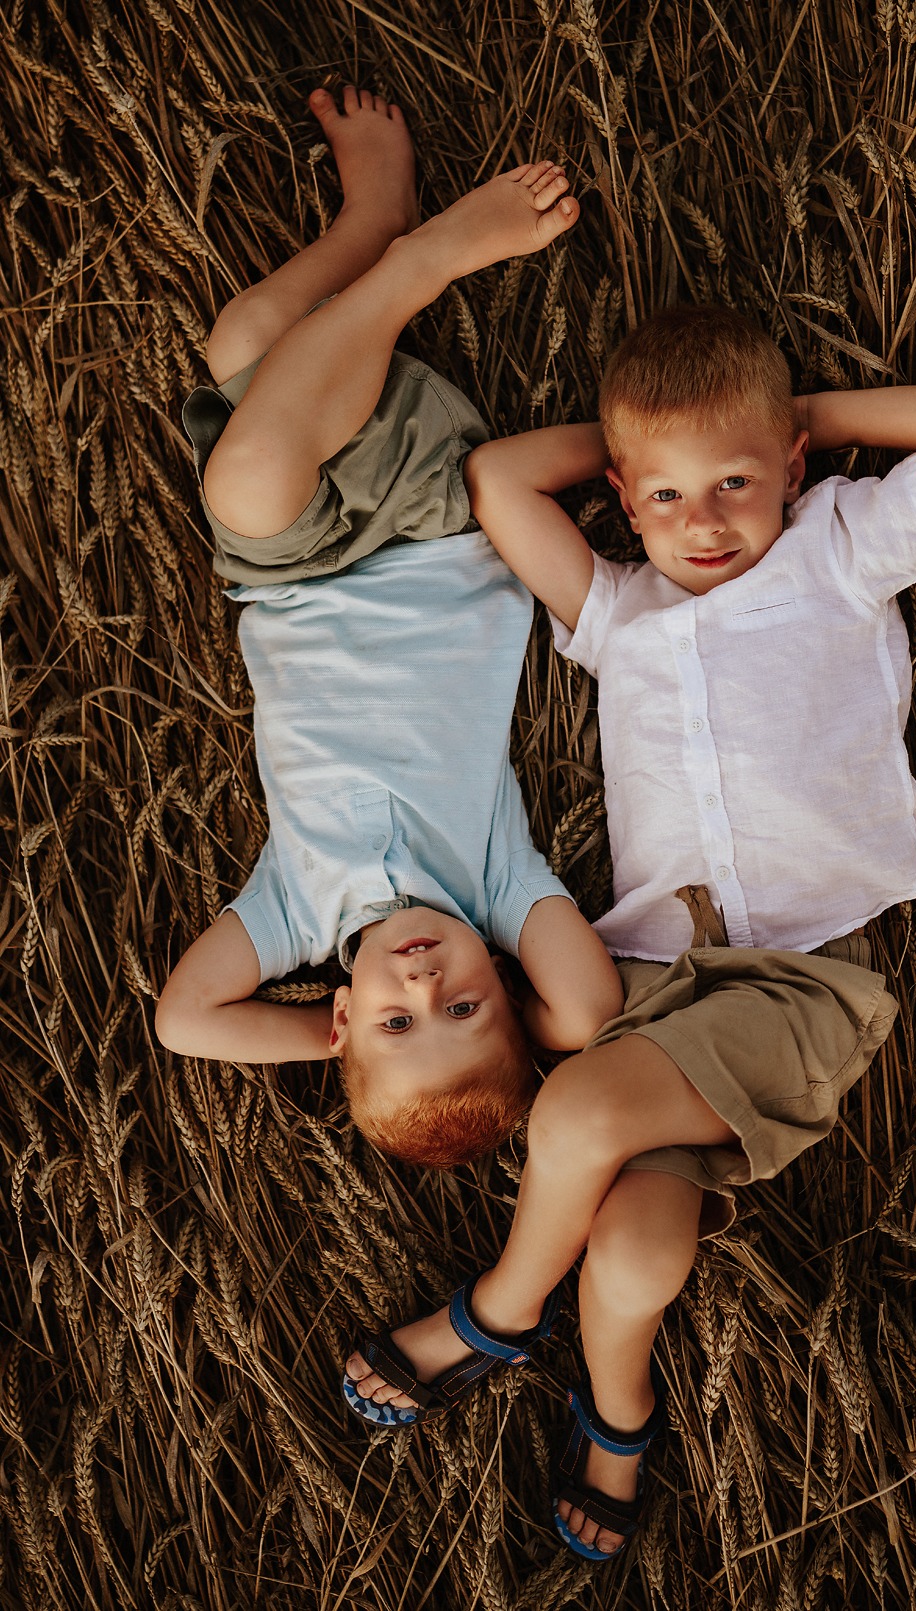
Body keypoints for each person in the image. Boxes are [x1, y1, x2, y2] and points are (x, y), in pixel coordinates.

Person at [344, 304, 916, 1559]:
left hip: (800, 975)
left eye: (734, 484)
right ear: (621, 497)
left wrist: (785, 419)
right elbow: (498, 477)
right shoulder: (616, 613)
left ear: (793, 470)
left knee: (576, 1118)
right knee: (637, 1246)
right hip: (656, 982)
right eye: (662, 495)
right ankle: (618, 1414)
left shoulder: (836, 552)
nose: (703, 520)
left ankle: (499, 1312)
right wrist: (665, 442)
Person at [154, 87, 622, 1171]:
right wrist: (540, 1022)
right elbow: (589, 1008)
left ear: (344, 1017)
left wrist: (322, 1043)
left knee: (245, 353)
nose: (423, 980)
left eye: (396, 1021)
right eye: (465, 1007)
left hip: (290, 568)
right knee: (250, 417)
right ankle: (417, 256)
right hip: (432, 527)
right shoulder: (495, 885)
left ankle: (379, 231)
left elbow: (183, 1021)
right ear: (500, 980)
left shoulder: (295, 911)